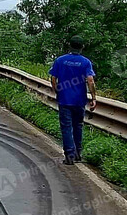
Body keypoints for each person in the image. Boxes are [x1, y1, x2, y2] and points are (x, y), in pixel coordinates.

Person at [49, 35, 97, 165]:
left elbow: (53, 78)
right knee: (78, 126)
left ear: (69, 46)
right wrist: (93, 98)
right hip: (79, 100)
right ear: (82, 47)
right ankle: (78, 153)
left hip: (64, 99)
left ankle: (69, 155)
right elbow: (90, 80)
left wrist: (57, 91)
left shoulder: (60, 60)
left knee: (66, 127)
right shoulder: (86, 62)